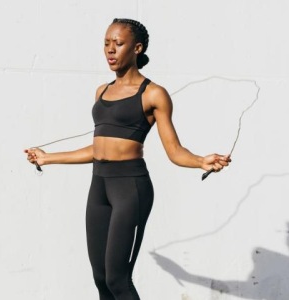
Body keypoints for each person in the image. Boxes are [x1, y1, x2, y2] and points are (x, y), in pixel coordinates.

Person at [25, 18, 231, 300]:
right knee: (101, 280)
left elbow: (174, 150)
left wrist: (200, 161)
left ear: (136, 48)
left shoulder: (154, 94)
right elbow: (99, 149)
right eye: (106, 44)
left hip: (130, 188)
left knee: (118, 279)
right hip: (99, 187)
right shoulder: (102, 91)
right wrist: (48, 158)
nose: (110, 50)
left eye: (118, 44)